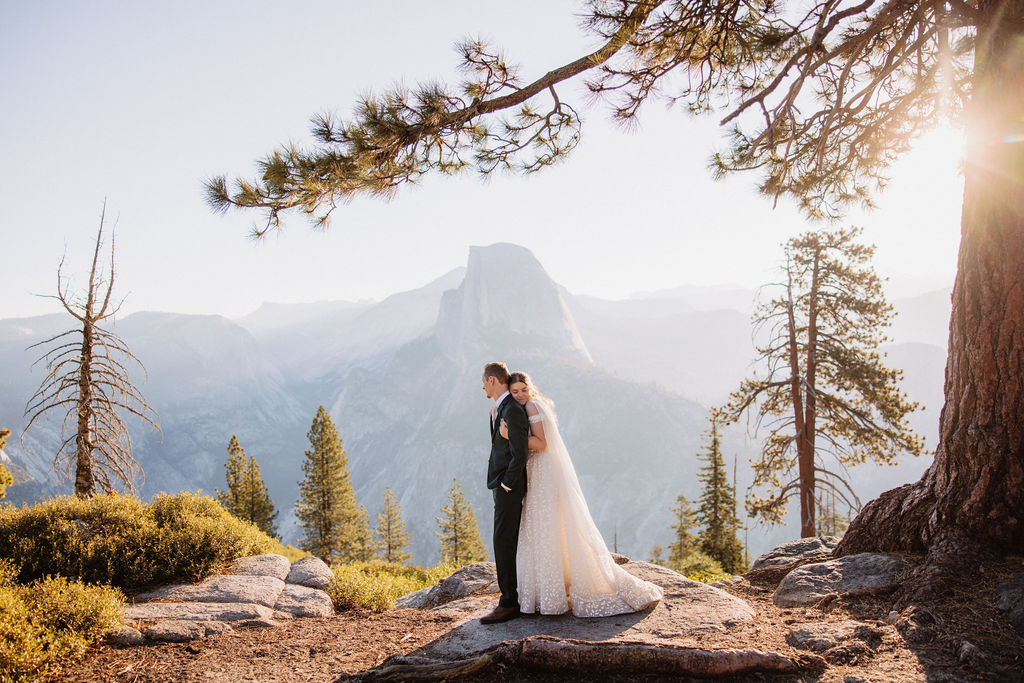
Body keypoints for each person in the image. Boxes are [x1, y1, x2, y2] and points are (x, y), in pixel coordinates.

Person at [501, 371, 663, 617]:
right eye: (515, 392)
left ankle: (551, 592)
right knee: (549, 525)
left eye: (523, 389)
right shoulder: (537, 404)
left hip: (543, 471)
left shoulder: (532, 405)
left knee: (543, 525)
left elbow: (542, 444)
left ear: (530, 388)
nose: (521, 395)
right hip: (542, 471)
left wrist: (509, 434)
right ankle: (553, 586)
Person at [478, 361, 530, 624]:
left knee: (503, 541)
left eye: (483, 380)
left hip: (508, 486)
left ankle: (509, 602)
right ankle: (512, 597)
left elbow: (520, 453)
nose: (482, 385)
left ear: (492, 381)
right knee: (505, 539)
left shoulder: (512, 410)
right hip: (501, 483)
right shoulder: (501, 407)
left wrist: (507, 483)